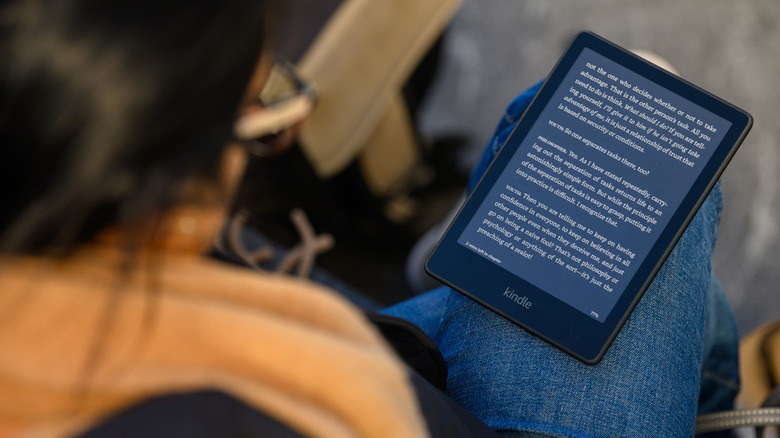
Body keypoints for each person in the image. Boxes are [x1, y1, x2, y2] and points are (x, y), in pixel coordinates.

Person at [0, 0, 739, 437]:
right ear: (158, 185)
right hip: (436, 408)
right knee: (639, 108)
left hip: (389, 359)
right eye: (259, 115)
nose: (275, 135)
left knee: (603, 172)